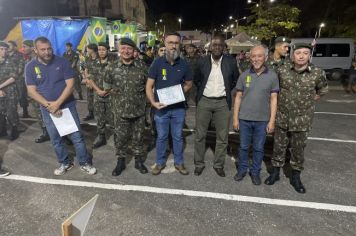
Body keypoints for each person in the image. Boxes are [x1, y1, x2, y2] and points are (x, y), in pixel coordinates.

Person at [25, 36, 97, 176]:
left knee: (76, 137)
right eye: (43, 49)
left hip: (66, 106)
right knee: (55, 139)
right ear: (35, 50)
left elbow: (70, 85)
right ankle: (64, 163)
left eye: (49, 48)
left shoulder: (62, 61)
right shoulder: (30, 67)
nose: (47, 52)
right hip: (47, 109)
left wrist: (57, 104)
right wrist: (49, 106)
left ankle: (84, 163)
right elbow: (31, 91)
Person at [264, 43, 328, 193]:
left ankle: (295, 177)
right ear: (293, 55)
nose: (301, 56)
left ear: (309, 55)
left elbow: (322, 90)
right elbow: (274, 89)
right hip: (282, 117)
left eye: (305, 53)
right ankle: (275, 173)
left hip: (302, 120)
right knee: (278, 147)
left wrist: (307, 102)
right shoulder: (283, 70)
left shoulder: (317, 73)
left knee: (298, 150)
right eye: (298, 53)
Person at [146, 32, 193, 175]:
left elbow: (189, 84)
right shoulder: (157, 63)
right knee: (161, 137)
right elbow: (149, 86)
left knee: (178, 136)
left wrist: (177, 95)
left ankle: (179, 163)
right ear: (165, 44)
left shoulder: (184, 64)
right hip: (161, 109)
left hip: (178, 109)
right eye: (170, 42)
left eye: (176, 43)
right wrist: (153, 103)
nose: (173, 45)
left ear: (180, 45)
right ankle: (160, 163)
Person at [193, 35, 239, 177]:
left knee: (222, 137)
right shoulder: (202, 61)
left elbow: (234, 80)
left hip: (222, 103)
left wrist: (225, 93)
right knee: (200, 135)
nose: (217, 47)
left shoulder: (231, 62)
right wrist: (200, 97)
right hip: (204, 101)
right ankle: (199, 164)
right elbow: (196, 80)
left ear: (224, 47)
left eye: (220, 45)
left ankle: (218, 165)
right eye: (215, 45)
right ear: (210, 47)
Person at [233, 45, 279, 185]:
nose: (256, 59)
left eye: (259, 56)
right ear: (249, 57)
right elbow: (238, 97)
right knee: (243, 147)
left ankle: (255, 173)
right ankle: (242, 170)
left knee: (259, 148)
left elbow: (273, 99)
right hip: (244, 119)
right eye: (253, 56)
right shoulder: (244, 74)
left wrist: (272, 121)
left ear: (265, 58)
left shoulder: (272, 76)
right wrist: (235, 118)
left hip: (262, 120)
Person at [104, 38, 149, 176]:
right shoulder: (111, 67)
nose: (126, 51)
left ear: (134, 50)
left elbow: (149, 86)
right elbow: (107, 86)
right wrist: (120, 96)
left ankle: (138, 160)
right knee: (120, 138)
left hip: (139, 111)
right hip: (120, 111)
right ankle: (121, 161)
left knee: (138, 137)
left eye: (129, 48)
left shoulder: (142, 66)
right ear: (119, 49)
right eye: (123, 48)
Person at [87, 42, 114, 149]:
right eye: (99, 50)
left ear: (107, 50)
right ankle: (101, 136)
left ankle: (117, 136)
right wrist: (98, 90)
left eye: (103, 49)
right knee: (99, 117)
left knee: (113, 117)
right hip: (98, 94)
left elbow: (117, 80)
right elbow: (90, 79)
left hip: (111, 94)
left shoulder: (113, 63)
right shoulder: (94, 63)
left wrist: (107, 90)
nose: (101, 52)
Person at [23, 39, 51, 143]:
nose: (23, 49)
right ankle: (46, 133)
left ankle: (62, 135)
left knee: (52, 112)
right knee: (39, 114)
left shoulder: (41, 59)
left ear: (32, 48)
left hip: (44, 92)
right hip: (34, 93)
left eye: (25, 46)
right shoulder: (27, 60)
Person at [0, 41, 19, 140]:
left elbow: (13, 78)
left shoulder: (11, 61)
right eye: (1, 49)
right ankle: (2, 130)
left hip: (10, 90)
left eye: (5, 49)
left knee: (11, 111)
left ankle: (14, 130)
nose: (4, 51)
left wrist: (0, 87)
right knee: (0, 111)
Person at [7, 40, 30, 118]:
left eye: (10, 45)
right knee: (11, 97)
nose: (8, 47)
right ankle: (14, 114)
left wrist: (12, 76)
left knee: (22, 96)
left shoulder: (19, 55)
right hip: (8, 81)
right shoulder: (5, 55)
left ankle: (25, 112)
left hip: (19, 79)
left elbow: (20, 68)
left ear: (14, 46)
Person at [82, 43, 98, 121]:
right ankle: (91, 113)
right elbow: (86, 69)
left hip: (97, 82)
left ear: (92, 49)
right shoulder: (88, 58)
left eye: (88, 49)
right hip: (89, 82)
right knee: (90, 98)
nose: (86, 50)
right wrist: (87, 80)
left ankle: (100, 114)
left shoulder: (100, 58)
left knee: (98, 99)